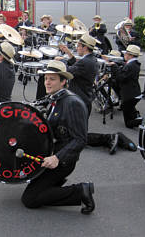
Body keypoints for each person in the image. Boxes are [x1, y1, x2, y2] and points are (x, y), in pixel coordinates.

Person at [21, 60, 95, 214]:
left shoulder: (72, 103)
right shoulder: (56, 97)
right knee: (32, 178)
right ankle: (54, 184)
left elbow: (80, 139)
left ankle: (81, 191)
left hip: (63, 161)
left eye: (52, 79)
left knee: (30, 199)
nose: (47, 82)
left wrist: (57, 158)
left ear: (63, 82)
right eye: (46, 78)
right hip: (52, 154)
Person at [58, 33, 98, 115]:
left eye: (79, 46)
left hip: (79, 98)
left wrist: (61, 61)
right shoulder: (92, 58)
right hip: (85, 97)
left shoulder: (85, 62)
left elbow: (69, 71)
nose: (77, 48)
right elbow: (78, 68)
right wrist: (68, 53)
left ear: (85, 47)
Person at [106, 45, 143, 128]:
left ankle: (143, 122)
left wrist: (114, 67)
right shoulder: (134, 63)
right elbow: (124, 66)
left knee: (128, 123)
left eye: (126, 54)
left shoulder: (130, 66)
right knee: (131, 110)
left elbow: (121, 78)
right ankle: (137, 117)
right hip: (134, 93)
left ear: (130, 55)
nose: (124, 55)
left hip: (129, 96)